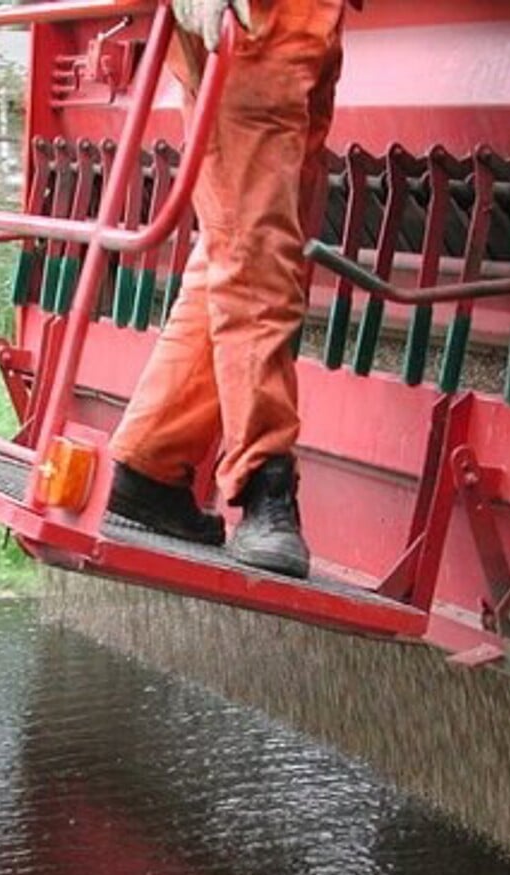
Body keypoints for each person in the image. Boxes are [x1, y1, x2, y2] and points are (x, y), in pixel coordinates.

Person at [103, 0, 347, 580]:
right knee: (254, 253)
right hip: (251, 25)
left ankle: (151, 465)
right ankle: (264, 482)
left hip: (309, 22)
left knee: (242, 247)